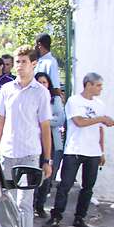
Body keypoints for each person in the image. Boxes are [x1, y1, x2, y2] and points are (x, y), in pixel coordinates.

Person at [0, 45, 53, 227]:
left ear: (33, 63)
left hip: (29, 155)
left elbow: (45, 127)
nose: (19, 66)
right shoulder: (7, 89)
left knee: (24, 205)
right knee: (5, 203)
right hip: (7, 155)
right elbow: (0, 123)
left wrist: (47, 159)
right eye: (17, 61)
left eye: (23, 62)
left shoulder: (41, 93)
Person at [43, 73, 113, 227]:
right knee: (65, 185)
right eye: (98, 85)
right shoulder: (74, 101)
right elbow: (79, 121)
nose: (101, 88)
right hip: (74, 149)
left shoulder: (100, 104)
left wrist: (101, 151)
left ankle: (80, 217)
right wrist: (100, 119)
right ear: (89, 85)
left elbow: (100, 131)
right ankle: (56, 216)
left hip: (93, 152)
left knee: (88, 187)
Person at [33, 72, 67, 218]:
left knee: (47, 176)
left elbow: (60, 119)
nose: (42, 85)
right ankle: (31, 205)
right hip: (34, 141)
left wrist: (42, 122)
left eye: (44, 82)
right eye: (39, 82)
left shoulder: (55, 100)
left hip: (51, 143)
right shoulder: (31, 98)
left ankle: (40, 206)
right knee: (33, 175)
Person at [34, 33, 63, 102]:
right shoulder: (39, 61)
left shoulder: (50, 62)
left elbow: (55, 87)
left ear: (39, 45)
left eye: (35, 44)